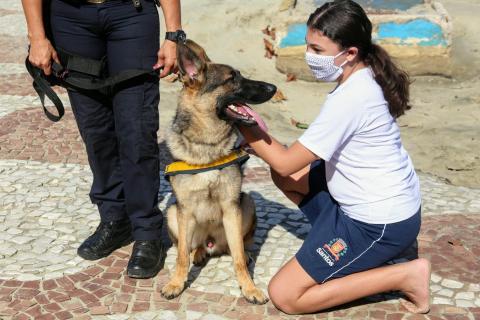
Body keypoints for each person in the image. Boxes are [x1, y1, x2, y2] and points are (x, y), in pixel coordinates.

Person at [238, 0, 431, 314]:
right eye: (308, 46)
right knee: (288, 176)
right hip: (380, 204)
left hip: (379, 223)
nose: (309, 57)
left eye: (318, 50)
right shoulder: (365, 75)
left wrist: (240, 121)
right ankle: (341, 246)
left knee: (286, 295)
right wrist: (256, 132)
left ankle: (406, 274)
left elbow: (285, 159)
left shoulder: (351, 99)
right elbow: (288, 166)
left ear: (350, 52)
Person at [21, 0, 184, 279]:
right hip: (70, 19)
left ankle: (146, 231)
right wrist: (37, 37)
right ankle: (114, 218)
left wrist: (173, 34)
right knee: (96, 130)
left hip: (131, 14)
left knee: (137, 129)